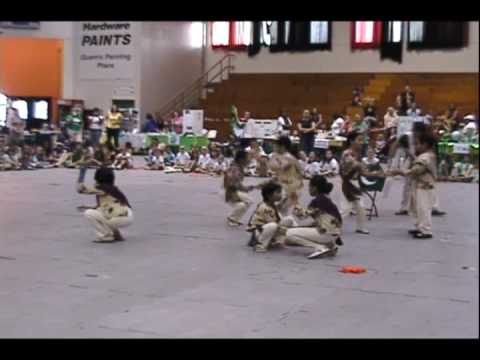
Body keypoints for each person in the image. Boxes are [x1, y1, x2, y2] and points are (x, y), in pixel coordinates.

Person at [388, 132, 437, 239]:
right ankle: (419, 226)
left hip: (425, 187)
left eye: (418, 144)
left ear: (425, 144)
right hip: (418, 185)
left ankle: (426, 230)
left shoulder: (427, 157)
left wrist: (401, 172)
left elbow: (417, 170)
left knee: (423, 209)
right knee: (416, 208)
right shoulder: (424, 156)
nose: (416, 146)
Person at [287, 175, 343, 259]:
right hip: (334, 234)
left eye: (309, 186)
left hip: (326, 234)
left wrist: (295, 202)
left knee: (289, 234)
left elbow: (301, 215)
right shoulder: (326, 198)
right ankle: (330, 245)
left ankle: (319, 248)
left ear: (315, 188)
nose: (308, 189)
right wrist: (302, 227)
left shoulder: (317, 200)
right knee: (297, 230)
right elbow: (321, 220)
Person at [339, 131, 384, 234]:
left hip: (355, 183)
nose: (361, 142)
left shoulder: (357, 153)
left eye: (362, 140)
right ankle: (333, 227)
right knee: (345, 209)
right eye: (359, 140)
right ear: (351, 141)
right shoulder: (347, 153)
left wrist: (376, 174)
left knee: (360, 207)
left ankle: (360, 227)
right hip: (347, 183)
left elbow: (363, 172)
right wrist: (375, 173)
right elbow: (358, 167)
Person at [77, 167, 133, 243]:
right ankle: (116, 234)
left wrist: (82, 174)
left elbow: (80, 190)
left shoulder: (101, 188)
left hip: (118, 217)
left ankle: (106, 236)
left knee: (89, 213)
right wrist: (88, 206)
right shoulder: (113, 188)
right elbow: (105, 205)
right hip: (128, 216)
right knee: (103, 212)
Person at [247, 182, 296, 253]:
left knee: (289, 219)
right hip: (259, 232)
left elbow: (279, 219)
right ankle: (260, 244)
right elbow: (275, 224)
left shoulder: (271, 205)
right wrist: (289, 232)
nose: (281, 195)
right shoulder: (264, 207)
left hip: (267, 229)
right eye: (278, 192)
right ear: (269, 195)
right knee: (273, 225)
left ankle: (279, 239)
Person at [268, 136, 304, 216]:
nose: (275, 147)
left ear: (282, 146)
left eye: (276, 145)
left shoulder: (287, 157)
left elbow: (281, 169)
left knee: (279, 209)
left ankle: (290, 226)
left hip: (291, 189)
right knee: (281, 211)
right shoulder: (286, 157)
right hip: (290, 188)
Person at [223, 150, 255, 227]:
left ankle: (234, 219)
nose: (249, 160)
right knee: (249, 200)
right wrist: (232, 194)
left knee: (242, 205)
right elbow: (228, 182)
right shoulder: (235, 168)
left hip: (233, 190)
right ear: (241, 160)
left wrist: (245, 188)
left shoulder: (239, 168)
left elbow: (238, 183)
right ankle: (232, 219)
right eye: (247, 158)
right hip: (229, 191)